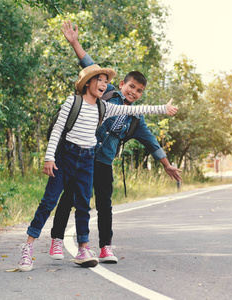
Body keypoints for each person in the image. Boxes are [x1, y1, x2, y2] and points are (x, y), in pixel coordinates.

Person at [18, 64, 178, 272]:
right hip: (66, 155)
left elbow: (139, 115)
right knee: (51, 201)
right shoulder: (76, 101)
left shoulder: (107, 108)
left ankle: (84, 247)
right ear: (88, 83)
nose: (103, 84)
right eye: (99, 80)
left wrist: (162, 109)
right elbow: (58, 128)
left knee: (85, 205)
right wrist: (49, 157)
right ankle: (30, 246)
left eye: (105, 81)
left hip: (90, 158)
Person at [48, 21, 182, 264]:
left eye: (139, 91)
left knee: (105, 205)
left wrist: (166, 164)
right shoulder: (106, 92)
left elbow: (152, 143)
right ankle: (57, 239)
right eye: (131, 86)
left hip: (104, 162)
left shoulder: (136, 119)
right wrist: (75, 42)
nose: (134, 92)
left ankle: (105, 247)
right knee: (70, 198)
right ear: (122, 85)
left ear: (142, 95)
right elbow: (89, 66)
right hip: (81, 154)